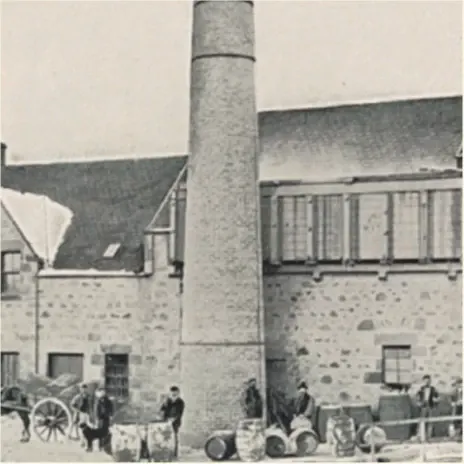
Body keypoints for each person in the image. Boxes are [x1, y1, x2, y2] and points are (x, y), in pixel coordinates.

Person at [160, 385, 185, 459]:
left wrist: (173, 419)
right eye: (172, 394)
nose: (173, 396)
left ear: (178, 394)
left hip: (175, 422)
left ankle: (174, 454)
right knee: (165, 437)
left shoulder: (181, 402)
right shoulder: (168, 401)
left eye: (175, 395)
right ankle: (165, 453)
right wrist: (164, 405)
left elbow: (180, 413)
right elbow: (162, 409)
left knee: (174, 437)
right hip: (166, 422)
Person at [416, 374, 439, 441]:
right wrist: (419, 403)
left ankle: (429, 436)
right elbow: (417, 396)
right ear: (423, 381)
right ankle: (420, 436)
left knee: (430, 421)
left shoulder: (433, 389)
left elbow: (437, 397)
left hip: (430, 406)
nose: (427, 382)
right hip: (423, 407)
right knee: (422, 421)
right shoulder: (421, 389)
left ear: (430, 381)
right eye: (425, 381)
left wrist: (436, 401)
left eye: (428, 381)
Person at [93, 386, 113, 452]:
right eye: (100, 392)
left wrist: (111, 415)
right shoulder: (98, 401)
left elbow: (111, 407)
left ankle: (105, 445)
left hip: (106, 418)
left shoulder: (108, 400)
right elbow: (96, 410)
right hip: (100, 419)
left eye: (103, 392)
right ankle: (100, 446)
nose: (102, 393)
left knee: (106, 431)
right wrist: (97, 418)